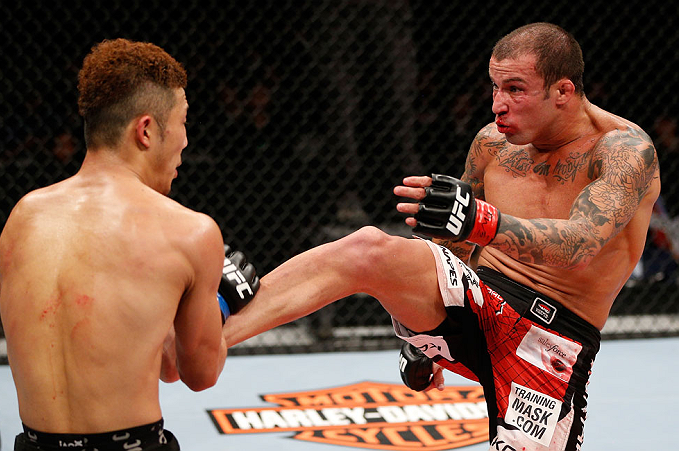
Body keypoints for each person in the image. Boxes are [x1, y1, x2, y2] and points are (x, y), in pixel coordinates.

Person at [223, 22, 660, 451]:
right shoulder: (492, 143)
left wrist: (480, 221)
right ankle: (213, 334)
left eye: (515, 89)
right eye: (495, 87)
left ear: (562, 91)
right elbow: (456, 243)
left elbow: (580, 244)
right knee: (367, 248)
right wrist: (423, 337)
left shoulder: (623, 151)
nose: (498, 105)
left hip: (551, 338)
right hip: (476, 300)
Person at [0, 38, 258, 450]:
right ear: (146, 130)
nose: (186, 140)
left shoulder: (23, 217)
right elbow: (200, 374)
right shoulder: (190, 232)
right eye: (183, 121)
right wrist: (221, 301)